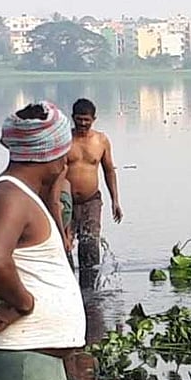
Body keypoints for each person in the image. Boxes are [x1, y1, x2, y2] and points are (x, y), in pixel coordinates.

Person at [0, 101, 86, 380]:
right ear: (48, 155)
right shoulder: (11, 199)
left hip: (32, 360)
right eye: (64, 153)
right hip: (23, 362)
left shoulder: (3, 193)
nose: (67, 162)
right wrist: (20, 303)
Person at [66, 98, 122, 276]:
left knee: (90, 246)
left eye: (86, 119)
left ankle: (91, 297)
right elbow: (54, 174)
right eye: (79, 119)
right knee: (63, 246)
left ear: (94, 119)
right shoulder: (65, 140)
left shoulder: (101, 140)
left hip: (91, 201)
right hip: (66, 202)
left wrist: (115, 201)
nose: (83, 123)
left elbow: (109, 171)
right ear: (73, 118)